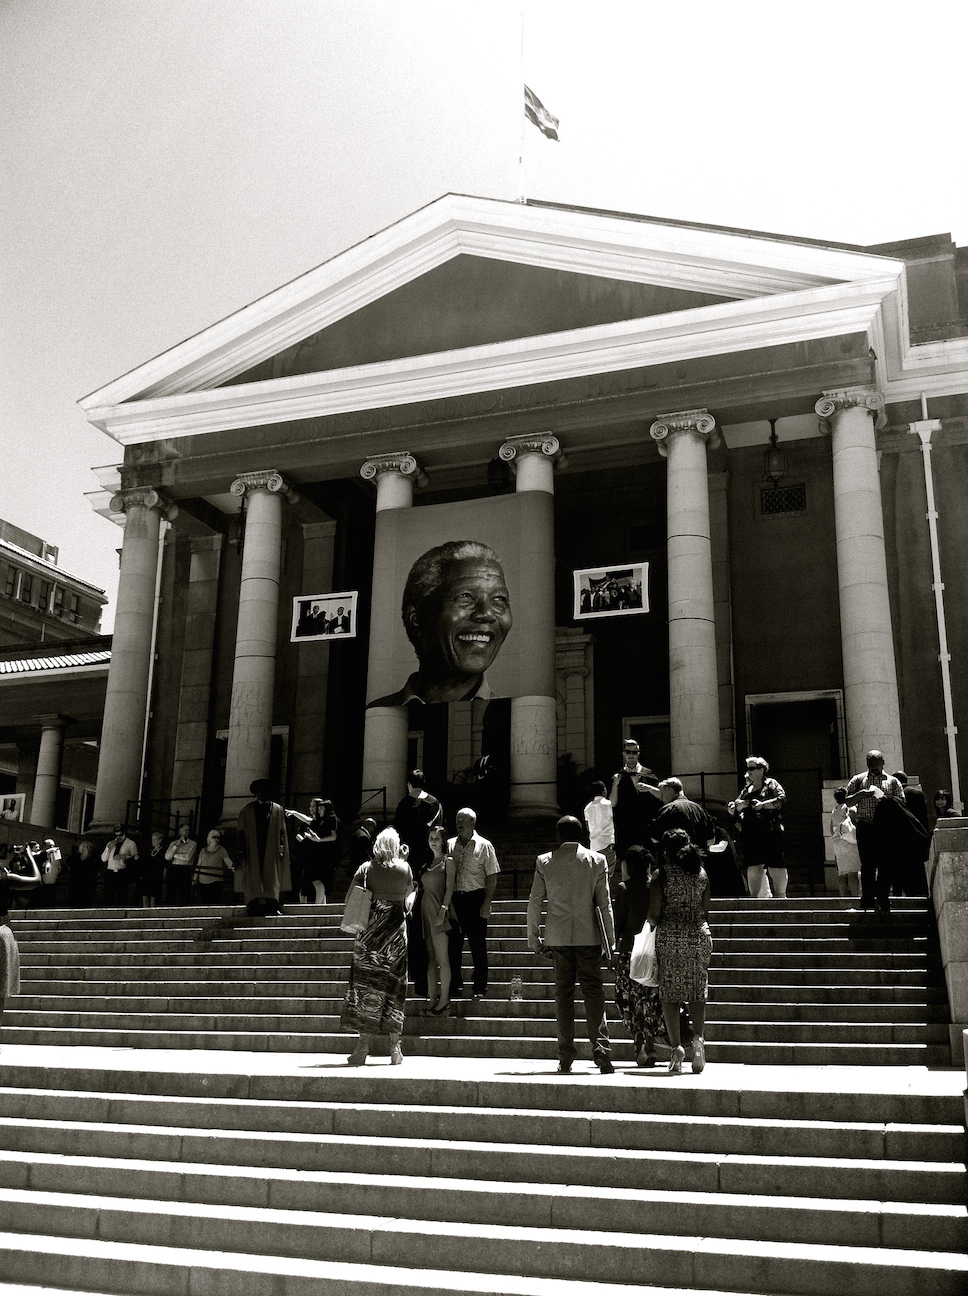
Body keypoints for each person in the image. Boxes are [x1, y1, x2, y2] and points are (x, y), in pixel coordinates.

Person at [368, 540, 512, 706]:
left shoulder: (517, 716)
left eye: (499, 599)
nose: (487, 614)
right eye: (465, 597)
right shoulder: (373, 714)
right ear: (416, 619)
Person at [527, 815, 616, 1075]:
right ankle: (601, 1050)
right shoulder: (597, 861)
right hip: (589, 937)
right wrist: (610, 942)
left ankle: (565, 1055)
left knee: (563, 994)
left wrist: (534, 937)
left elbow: (535, 901)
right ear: (583, 834)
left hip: (558, 937)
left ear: (557, 835)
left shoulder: (544, 861)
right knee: (594, 991)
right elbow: (605, 904)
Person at [340, 826, 416, 1065]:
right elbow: (409, 894)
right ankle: (395, 1048)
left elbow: (349, 899)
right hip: (395, 938)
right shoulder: (405, 869)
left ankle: (362, 1047)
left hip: (369, 938)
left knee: (366, 988)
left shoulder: (365, 869)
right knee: (395, 988)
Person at [647, 828, 712, 1075]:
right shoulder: (701, 873)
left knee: (670, 993)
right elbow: (705, 909)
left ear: (665, 850)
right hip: (698, 935)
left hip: (670, 938)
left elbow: (654, 913)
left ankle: (676, 1049)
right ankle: (698, 1041)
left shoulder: (661, 874)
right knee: (697, 990)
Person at [393, 770, 443, 999]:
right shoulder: (435, 804)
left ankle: (417, 977)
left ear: (408, 785)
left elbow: (397, 836)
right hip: (431, 869)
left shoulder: (403, 805)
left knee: (412, 924)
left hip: (409, 868)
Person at [447, 807, 500, 1000]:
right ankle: (455, 984)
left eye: (463, 820)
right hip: (454, 899)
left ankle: (480, 986)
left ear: (473, 823)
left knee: (477, 945)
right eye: (457, 820)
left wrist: (487, 902)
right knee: (453, 945)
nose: (459, 823)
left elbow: (492, 875)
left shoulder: (485, 845)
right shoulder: (449, 844)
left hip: (475, 898)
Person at [844, 750, 905, 913]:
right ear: (866, 764)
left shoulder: (892, 781)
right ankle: (868, 899)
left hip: (886, 829)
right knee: (867, 866)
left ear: (883, 762)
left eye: (876, 763)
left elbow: (902, 803)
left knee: (886, 865)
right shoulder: (858, 780)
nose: (873, 767)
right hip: (865, 827)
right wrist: (862, 794)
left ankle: (883, 898)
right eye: (870, 763)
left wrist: (885, 799)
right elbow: (847, 801)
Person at [728, 757, 787, 899]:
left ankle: (781, 896)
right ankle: (753, 898)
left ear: (762, 770)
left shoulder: (771, 783)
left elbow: (781, 799)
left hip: (771, 830)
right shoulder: (747, 789)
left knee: (776, 864)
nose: (749, 772)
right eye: (747, 769)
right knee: (754, 864)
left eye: (752, 768)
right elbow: (739, 804)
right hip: (751, 832)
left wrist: (762, 805)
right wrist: (734, 807)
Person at [0, 845, 41, 1033]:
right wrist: (30, 857)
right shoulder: (5, 878)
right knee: (0, 989)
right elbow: (36, 880)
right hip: (1, 932)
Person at [236, 779, 292, 916]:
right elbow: (241, 831)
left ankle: (272, 905)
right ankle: (253, 906)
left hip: (271, 848)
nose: (260, 793)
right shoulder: (247, 810)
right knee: (253, 875)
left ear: (268, 793)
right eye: (258, 791)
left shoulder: (278, 810)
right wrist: (241, 850)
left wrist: (281, 850)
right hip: (252, 848)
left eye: (263, 791)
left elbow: (282, 833)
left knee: (271, 876)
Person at [609, 739, 662, 874]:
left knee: (647, 863)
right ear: (623, 754)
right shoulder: (618, 777)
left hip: (645, 828)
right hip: (625, 828)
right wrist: (615, 784)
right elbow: (612, 803)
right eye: (628, 752)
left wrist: (649, 788)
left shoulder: (649, 774)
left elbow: (661, 796)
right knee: (626, 865)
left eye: (634, 752)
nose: (631, 755)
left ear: (638, 754)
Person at [421, 825, 456, 1015]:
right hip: (425, 912)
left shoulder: (448, 861)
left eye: (436, 838)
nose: (433, 842)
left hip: (439, 911)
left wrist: (443, 911)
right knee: (431, 959)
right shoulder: (428, 862)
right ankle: (432, 998)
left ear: (443, 841)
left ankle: (444, 1001)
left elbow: (450, 889)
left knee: (443, 959)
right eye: (431, 838)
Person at [289, 798, 340, 904]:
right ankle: (322, 906)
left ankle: (318, 906)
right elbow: (306, 819)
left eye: (319, 808)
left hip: (323, 856)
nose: (316, 810)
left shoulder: (331, 819)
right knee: (315, 882)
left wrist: (318, 839)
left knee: (318, 881)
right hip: (315, 855)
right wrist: (294, 813)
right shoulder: (319, 821)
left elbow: (334, 836)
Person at [651, 778, 717, 857]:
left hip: (676, 860)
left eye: (662, 794)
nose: (661, 798)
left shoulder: (667, 810)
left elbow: (655, 839)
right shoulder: (701, 810)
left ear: (670, 791)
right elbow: (711, 841)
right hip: (699, 860)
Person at [829, 788, 861, 899]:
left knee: (842, 873)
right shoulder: (850, 809)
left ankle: (844, 899)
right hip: (850, 843)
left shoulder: (834, 811)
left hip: (838, 843)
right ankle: (855, 898)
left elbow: (831, 830)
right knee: (853, 873)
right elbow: (856, 823)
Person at [583, 780, 616, 888]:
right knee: (607, 876)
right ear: (604, 791)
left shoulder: (587, 808)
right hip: (608, 843)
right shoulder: (609, 805)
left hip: (594, 845)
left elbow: (588, 827)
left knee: (597, 876)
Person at [102, 824, 138, 907]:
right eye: (116, 835)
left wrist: (124, 857)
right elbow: (103, 859)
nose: (118, 837)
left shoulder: (131, 843)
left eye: (120, 835)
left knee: (122, 897)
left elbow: (136, 858)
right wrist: (108, 848)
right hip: (110, 872)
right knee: (108, 897)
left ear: (124, 832)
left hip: (122, 872)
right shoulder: (111, 843)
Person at [193, 828, 234, 903]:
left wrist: (234, 869)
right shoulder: (203, 850)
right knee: (204, 901)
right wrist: (195, 879)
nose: (216, 839)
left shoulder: (222, 850)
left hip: (216, 880)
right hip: (202, 881)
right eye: (214, 837)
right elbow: (198, 865)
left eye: (217, 837)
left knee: (214, 900)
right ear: (209, 838)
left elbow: (228, 861)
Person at [164, 824, 197, 905]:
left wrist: (174, 855)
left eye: (188, 830)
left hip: (184, 870)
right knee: (171, 895)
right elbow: (167, 857)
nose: (187, 832)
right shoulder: (174, 843)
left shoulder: (193, 844)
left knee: (185, 895)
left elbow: (187, 857)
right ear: (180, 831)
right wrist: (177, 844)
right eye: (185, 830)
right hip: (174, 869)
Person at [66, 839, 98, 907]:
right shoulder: (75, 857)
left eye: (90, 847)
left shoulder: (93, 859)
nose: (89, 849)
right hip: (75, 886)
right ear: (82, 848)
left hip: (87, 887)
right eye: (87, 847)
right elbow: (68, 862)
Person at [140, 831, 166, 908]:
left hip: (156, 877)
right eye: (152, 839)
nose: (153, 841)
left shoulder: (163, 851)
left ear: (160, 840)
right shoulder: (149, 851)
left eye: (155, 839)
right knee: (145, 896)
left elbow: (164, 865)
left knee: (153, 899)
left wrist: (163, 876)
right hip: (147, 877)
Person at [38, 838, 62, 907]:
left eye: (53, 846)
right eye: (50, 846)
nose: (52, 847)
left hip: (53, 880)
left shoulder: (56, 854)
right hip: (44, 881)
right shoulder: (41, 854)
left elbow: (59, 865)